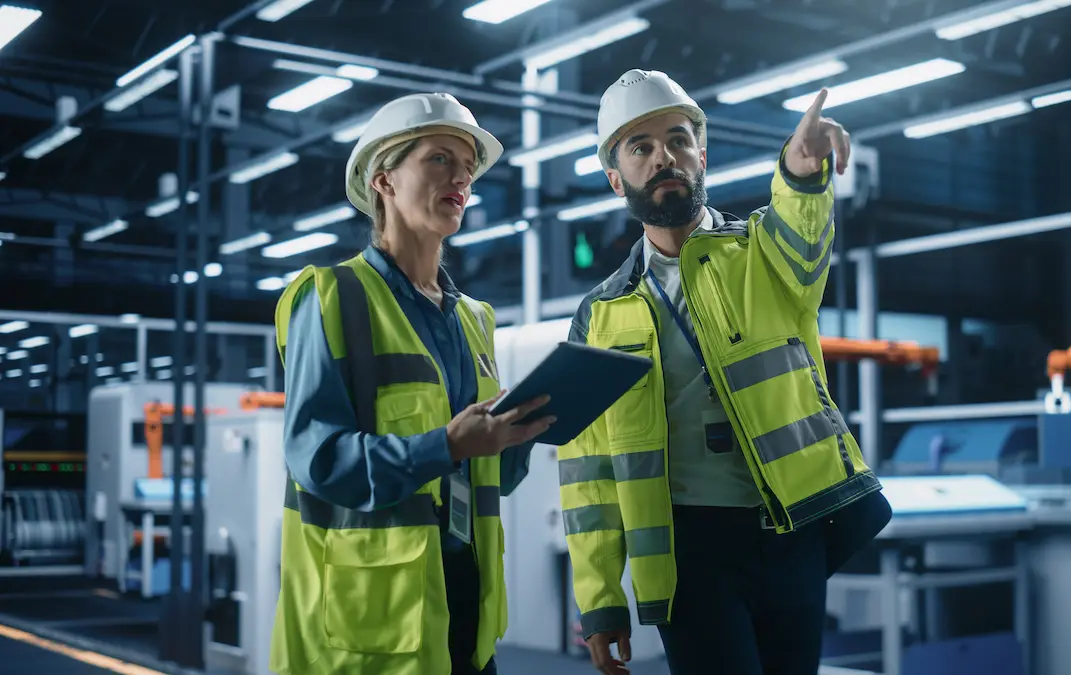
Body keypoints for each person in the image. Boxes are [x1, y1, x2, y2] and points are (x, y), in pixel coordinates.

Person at [558, 69, 892, 675]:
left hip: (792, 532)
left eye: (679, 140)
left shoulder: (765, 254)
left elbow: (804, 232)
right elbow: (588, 474)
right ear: (615, 179)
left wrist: (799, 169)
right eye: (641, 147)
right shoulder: (599, 315)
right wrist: (600, 602)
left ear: (702, 154)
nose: (665, 156)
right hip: (689, 552)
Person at [268, 92, 554, 675]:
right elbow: (317, 460)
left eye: (467, 165)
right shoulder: (329, 297)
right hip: (367, 626)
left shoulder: (473, 318)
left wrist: (523, 433)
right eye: (439, 159)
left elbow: (482, 477)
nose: (462, 176)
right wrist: (445, 446)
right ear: (384, 180)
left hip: (464, 610)